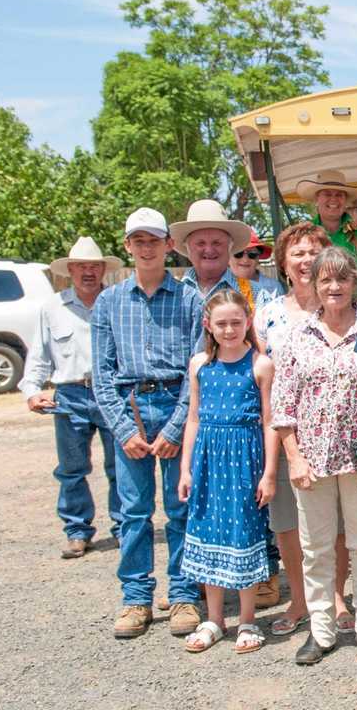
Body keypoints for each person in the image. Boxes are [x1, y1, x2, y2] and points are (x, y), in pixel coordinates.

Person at [92, 208, 204, 640]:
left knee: (180, 508)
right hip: (131, 406)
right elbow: (102, 375)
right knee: (134, 511)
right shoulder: (109, 302)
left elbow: (197, 368)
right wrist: (123, 430)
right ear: (127, 247)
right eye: (138, 241)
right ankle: (136, 598)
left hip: (176, 402)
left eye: (153, 240)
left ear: (168, 245)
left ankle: (182, 595)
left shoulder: (190, 300)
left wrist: (177, 428)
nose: (146, 248)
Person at [271, 247, 357, 666]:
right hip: (312, 459)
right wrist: (294, 457)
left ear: (354, 281)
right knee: (316, 547)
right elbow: (282, 407)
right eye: (325, 280)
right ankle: (320, 630)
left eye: (341, 279)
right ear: (313, 286)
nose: (333, 287)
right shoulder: (296, 337)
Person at [177, 290, 278, 653]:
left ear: (248, 322)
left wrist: (268, 473)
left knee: (242, 534)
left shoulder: (260, 364)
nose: (230, 329)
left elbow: (270, 422)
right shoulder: (200, 364)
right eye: (221, 323)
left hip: (243, 461)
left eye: (236, 322)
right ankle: (214, 619)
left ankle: (248, 618)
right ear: (208, 324)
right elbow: (192, 418)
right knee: (208, 530)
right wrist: (185, 469)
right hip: (207, 459)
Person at [21, 237, 125, 559]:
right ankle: (77, 531)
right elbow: (38, 355)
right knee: (71, 468)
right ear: (70, 271)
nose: (88, 272)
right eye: (81, 266)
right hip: (70, 393)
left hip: (113, 391)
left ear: (104, 269)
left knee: (120, 465)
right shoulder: (52, 307)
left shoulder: (119, 302)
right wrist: (32, 390)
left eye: (94, 266)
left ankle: (125, 527)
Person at [296, 171, 357, 289]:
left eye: (339, 195)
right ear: (317, 199)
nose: (333, 199)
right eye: (327, 194)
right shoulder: (302, 236)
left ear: (346, 200)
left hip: (355, 304)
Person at [173, 199, 250, 300]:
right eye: (200, 243)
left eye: (217, 243)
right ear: (187, 248)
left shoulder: (256, 295)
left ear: (230, 246)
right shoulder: (169, 295)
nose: (209, 250)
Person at [229, 228, 283, 310]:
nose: (245, 260)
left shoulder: (274, 287)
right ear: (228, 256)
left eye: (252, 254)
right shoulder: (216, 284)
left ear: (258, 258)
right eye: (238, 254)